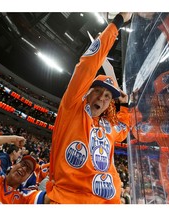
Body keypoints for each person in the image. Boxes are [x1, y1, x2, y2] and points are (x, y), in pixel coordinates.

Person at [46, 12, 133, 204]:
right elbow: (87, 66)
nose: (102, 97)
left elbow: (124, 129)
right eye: (98, 91)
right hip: (68, 200)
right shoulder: (73, 108)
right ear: (86, 92)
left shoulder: (108, 128)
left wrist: (125, 107)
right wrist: (117, 23)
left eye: (108, 96)